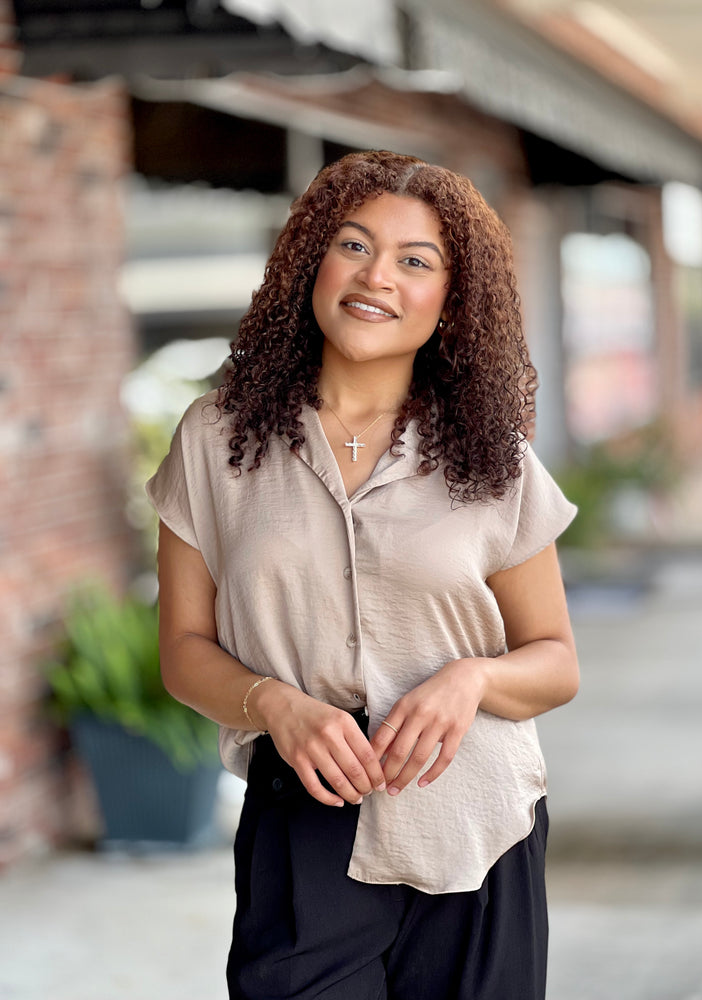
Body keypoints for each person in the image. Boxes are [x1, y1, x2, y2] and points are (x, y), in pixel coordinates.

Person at [147, 149, 579, 1000]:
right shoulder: (215, 439)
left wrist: (472, 680)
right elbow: (183, 652)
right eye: (353, 245)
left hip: (476, 825)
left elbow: (556, 661)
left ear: (451, 300)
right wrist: (275, 704)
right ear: (312, 263)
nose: (377, 276)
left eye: (416, 261)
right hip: (301, 823)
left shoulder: (494, 459)